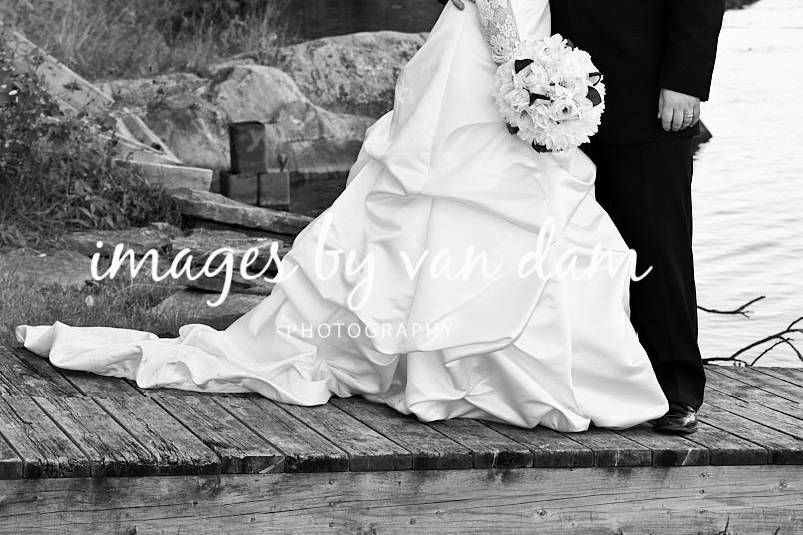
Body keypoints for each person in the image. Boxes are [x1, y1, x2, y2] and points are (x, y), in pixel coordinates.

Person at [16, 0, 671, 432]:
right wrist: (519, 70)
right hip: (492, 52)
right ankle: (446, 366)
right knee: (456, 196)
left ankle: (438, 361)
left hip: (516, 42)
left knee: (485, 201)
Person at [443, 0, 725, 434]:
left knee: (654, 246)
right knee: (568, 250)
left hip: (646, 89)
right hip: (544, 93)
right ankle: (591, 382)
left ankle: (675, 388)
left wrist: (684, 79)